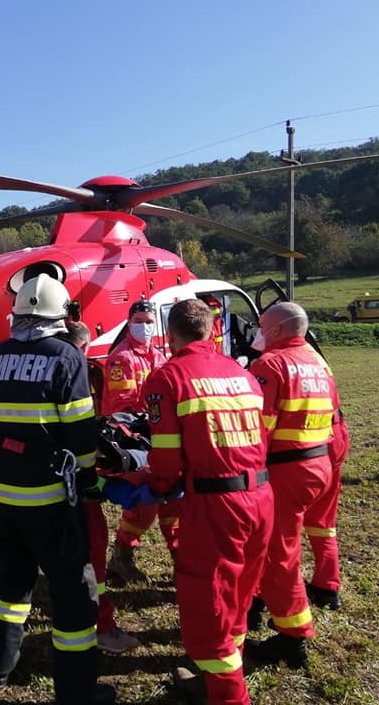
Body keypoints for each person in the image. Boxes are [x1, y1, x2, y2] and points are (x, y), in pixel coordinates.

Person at [0, 274, 116, 705]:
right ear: (62, 315)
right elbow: (80, 433)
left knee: (12, 582)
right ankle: (77, 692)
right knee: (74, 593)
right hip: (48, 495)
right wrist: (91, 479)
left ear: (17, 314)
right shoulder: (66, 357)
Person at [142, 299, 273, 705]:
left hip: (218, 503)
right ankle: (220, 670)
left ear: (170, 333)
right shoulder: (242, 374)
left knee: (207, 603)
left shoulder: (168, 377)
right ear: (213, 330)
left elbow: (165, 455)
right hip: (262, 497)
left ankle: (227, 695)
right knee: (238, 595)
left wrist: (158, 485)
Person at [244, 302, 337, 668]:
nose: (258, 331)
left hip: (285, 470)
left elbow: (257, 430)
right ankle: (255, 601)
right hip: (318, 464)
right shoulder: (318, 362)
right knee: (271, 545)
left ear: (279, 329)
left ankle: (293, 636)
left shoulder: (269, 365)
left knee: (278, 555)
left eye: (262, 325)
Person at [64, 320, 140, 654]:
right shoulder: (78, 375)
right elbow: (82, 438)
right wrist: (98, 480)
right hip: (77, 484)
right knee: (93, 553)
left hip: (34, 487)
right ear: (83, 347)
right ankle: (101, 626)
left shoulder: (34, 373)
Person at [100, 300, 179, 585]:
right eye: (140, 321)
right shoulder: (123, 358)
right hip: (130, 439)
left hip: (155, 436)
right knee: (142, 505)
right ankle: (121, 556)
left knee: (168, 502)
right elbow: (124, 407)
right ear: (129, 322)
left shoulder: (157, 355)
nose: (145, 326)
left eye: (149, 321)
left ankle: (175, 557)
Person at [302, 346, 351, 610]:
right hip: (333, 434)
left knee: (280, 530)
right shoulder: (314, 357)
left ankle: (268, 597)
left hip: (303, 449)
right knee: (323, 520)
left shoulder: (276, 362)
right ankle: (327, 586)